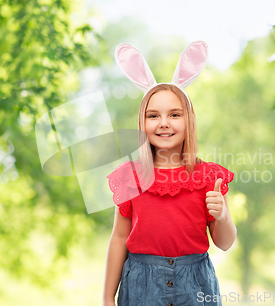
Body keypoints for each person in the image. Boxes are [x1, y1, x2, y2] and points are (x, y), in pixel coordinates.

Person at [103, 41, 237, 306]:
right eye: (153, 116)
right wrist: (108, 297)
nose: (164, 123)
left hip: (196, 285)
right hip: (141, 286)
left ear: (189, 120)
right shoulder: (130, 177)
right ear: (142, 123)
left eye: (174, 114)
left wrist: (221, 215)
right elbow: (119, 238)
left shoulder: (209, 177)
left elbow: (225, 242)